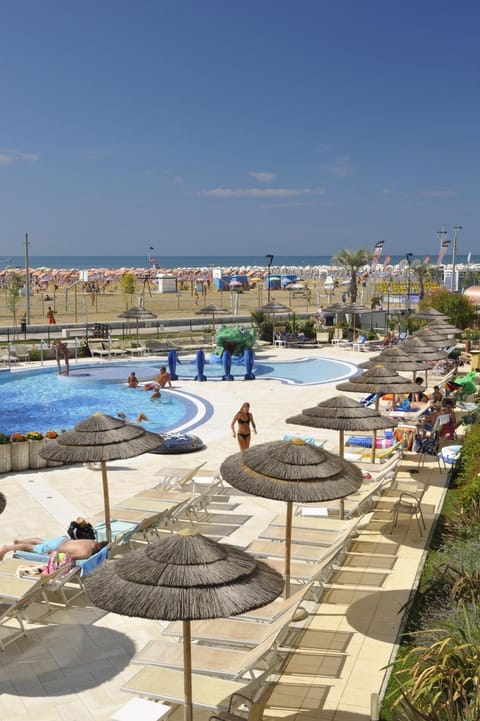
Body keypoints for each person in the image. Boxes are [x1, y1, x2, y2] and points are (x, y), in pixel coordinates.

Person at [0, 536, 107, 562]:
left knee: (42, 541)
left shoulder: (92, 541)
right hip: (58, 547)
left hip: (62, 540)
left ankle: (19, 541)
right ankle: (7, 548)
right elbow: (69, 557)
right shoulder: (86, 553)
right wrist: (55, 556)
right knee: (34, 548)